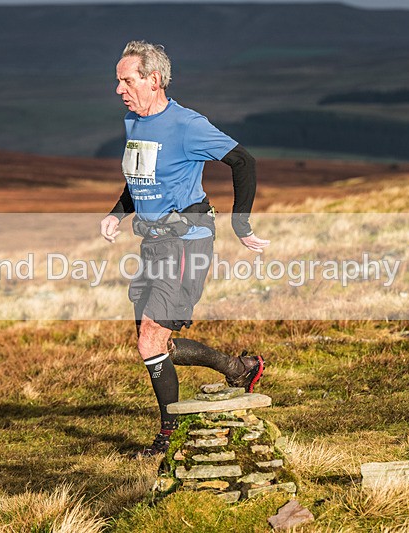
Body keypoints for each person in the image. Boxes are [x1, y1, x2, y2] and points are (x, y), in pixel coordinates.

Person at [99, 40, 271, 457]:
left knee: (150, 340)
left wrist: (240, 220)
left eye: (126, 80)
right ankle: (238, 368)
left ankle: (168, 439)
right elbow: (140, 176)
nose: (119, 89)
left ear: (153, 79)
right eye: (118, 81)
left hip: (186, 241)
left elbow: (243, 161)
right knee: (154, 341)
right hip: (154, 242)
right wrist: (117, 212)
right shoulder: (134, 122)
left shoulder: (188, 125)